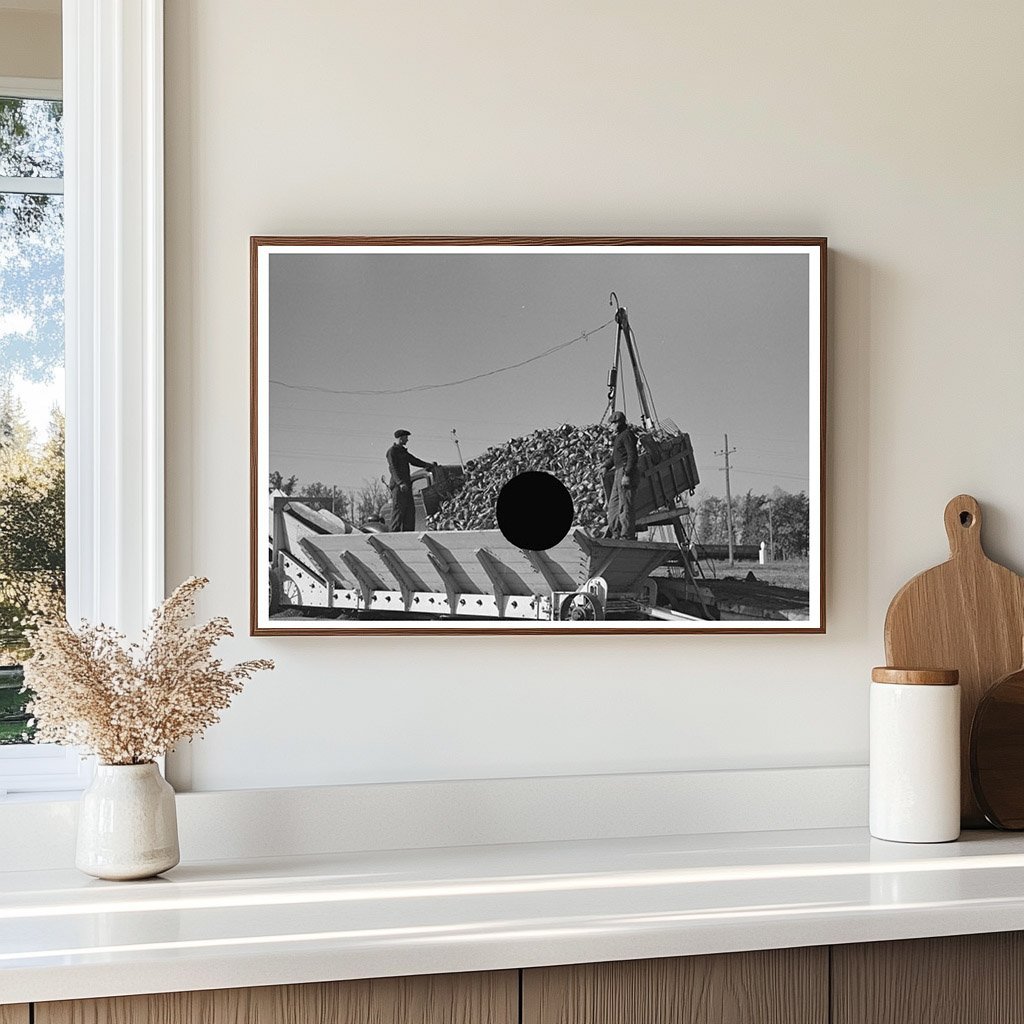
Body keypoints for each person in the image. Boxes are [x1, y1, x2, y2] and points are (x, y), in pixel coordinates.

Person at [386, 429, 438, 532]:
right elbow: (393, 468)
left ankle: (408, 535)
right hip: (399, 487)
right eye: (406, 437)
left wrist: (429, 465)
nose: (407, 440)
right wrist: (400, 483)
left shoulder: (403, 451)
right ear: (400, 438)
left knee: (410, 512)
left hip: (407, 486)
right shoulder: (392, 451)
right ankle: (393, 536)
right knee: (398, 512)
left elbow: (414, 461)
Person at [603, 411, 638, 539]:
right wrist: (606, 466)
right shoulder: (619, 437)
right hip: (618, 472)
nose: (610, 427)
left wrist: (627, 474)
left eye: (612, 424)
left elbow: (632, 456)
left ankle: (626, 535)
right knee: (613, 506)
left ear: (618, 423)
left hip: (625, 471)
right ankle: (615, 532)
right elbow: (615, 457)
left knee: (625, 505)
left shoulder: (627, 435)